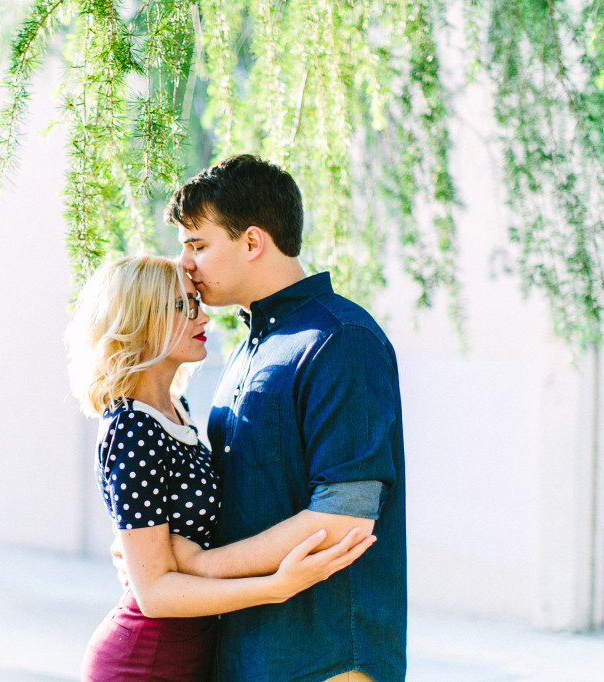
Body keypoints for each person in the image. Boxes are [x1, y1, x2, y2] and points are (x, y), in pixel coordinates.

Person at [66, 254, 376, 682]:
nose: (202, 316)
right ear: (138, 320)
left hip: (196, 654)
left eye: (195, 301)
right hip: (144, 662)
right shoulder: (130, 428)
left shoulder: (175, 410)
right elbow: (153, 594)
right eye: (181, 306)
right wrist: (274, 587)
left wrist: (195, 560)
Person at [157, 154, 408, 681]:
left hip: (325, 659)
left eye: (198, 245)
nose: (185, 265)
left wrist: (200, 565)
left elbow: (343, 520)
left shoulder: (340, 339)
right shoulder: (248, 348)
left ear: (252, 241)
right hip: (248, 653)